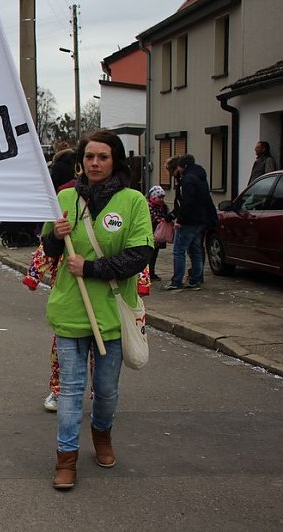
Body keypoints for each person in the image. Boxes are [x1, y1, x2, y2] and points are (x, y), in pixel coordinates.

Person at [41, 129, 153, 489]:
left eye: (102, 157)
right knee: (71, 390)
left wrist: (90, 269)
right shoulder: (66, 198)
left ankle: (102, 434)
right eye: (89, 156)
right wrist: (55, 237)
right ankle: (66, 458)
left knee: (105, 390)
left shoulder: (133, 201)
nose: (94, 163)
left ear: (115, 160)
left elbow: (139, 256)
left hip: (112, 313)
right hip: (71, 310)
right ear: (81, 160)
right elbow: (50, 252)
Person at [164, 154, 217, 291]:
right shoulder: (199, 177)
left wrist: (179, 220)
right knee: (196, 250)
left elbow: (186, 202)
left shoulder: (187, 180)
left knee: (178, 251)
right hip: (201, 220)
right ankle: (195, 280)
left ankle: (177, 281)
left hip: (189, 221)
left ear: (182, 166)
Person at [146, 185, 169, 281]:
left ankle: (152, 273)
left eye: (162, 197)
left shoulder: (162, 207)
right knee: (149, 255)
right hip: (151, 234)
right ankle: (148, 274)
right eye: (159, 197)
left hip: (158, 235)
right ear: (153, 197)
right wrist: (161, 220)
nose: (161, 199)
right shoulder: (148, 206)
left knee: (154, 255)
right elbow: (153, 219)